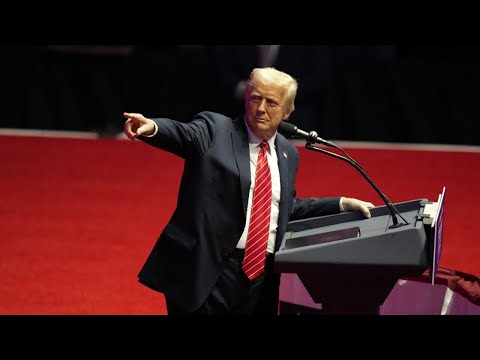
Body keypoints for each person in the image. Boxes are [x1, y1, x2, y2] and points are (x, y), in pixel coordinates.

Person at [123, 67, 375, 315]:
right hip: (208, 271)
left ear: (288, 111)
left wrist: (341, 203)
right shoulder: (215, 130)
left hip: (260, 281)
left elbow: (280, 207)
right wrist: (153, 127)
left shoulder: (289, 153)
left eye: (272, 102)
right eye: (256, 98)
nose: (261, 108)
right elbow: (183, 134)